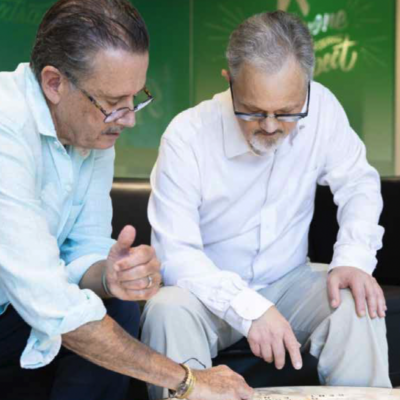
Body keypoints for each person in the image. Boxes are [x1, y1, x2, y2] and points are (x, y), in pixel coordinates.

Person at [0, 1, 253, 400]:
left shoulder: (90, 131)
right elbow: (50, 302)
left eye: (135, 98)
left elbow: (82, 250)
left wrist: (112, 275)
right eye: (113, 102)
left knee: (118, 303)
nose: (130, 118)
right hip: (23, 304)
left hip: (14, 312)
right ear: (54, 83)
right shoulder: (6, 126)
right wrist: (188, 380)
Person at [142, 10, 392, 400]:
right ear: (229, 82)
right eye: (254, 111)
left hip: (289, 280)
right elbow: (176, 254)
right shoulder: (186, 136)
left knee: (355, 301)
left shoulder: (323, 108)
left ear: (307, 86)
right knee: (165, 310)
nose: (272, 126)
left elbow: (358, 182)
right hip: (205, 293)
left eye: (288, 112)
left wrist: (353, 258)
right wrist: (249, 308)